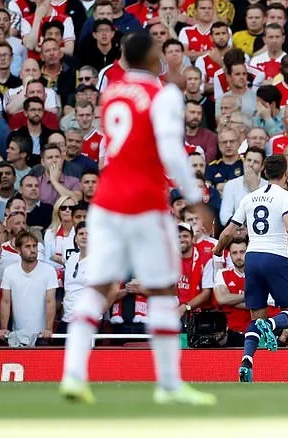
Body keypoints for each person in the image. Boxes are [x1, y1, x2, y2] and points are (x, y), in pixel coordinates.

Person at [60, 33, 215, 405]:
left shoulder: (111, 91)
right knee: (162, 290)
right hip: (145, 202)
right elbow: (168, 147)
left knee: (98, 288)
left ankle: (73, 375)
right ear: (151, 57)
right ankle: (168, 385)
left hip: (106, 201)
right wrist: (196, 197)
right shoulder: (163, 95)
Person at [213, 155, 288, 382]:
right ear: (285, 174)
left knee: (255, 316)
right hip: (276, 257)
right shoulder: (287, 197)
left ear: (264, 173)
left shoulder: (249, 198)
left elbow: (229, 231)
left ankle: (247, 360)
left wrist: (218, 250)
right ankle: (271, 324)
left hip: (253, 258)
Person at [0, 231, 58, 343]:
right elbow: (5, 301)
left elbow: (50, 301)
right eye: (28, 246)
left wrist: (48, 328)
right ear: (18, 250)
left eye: (34, 246)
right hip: (17, 335)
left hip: (41, 336)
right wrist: (4, 328)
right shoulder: (9, 271)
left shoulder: (49, 271)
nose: (33, 250)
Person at [59, 221, 88, 334]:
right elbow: (67, 290)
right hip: (67, 319)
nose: (85, 237)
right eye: (81, 234)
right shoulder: (70, 260)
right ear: (75, 238)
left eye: (88, 234)